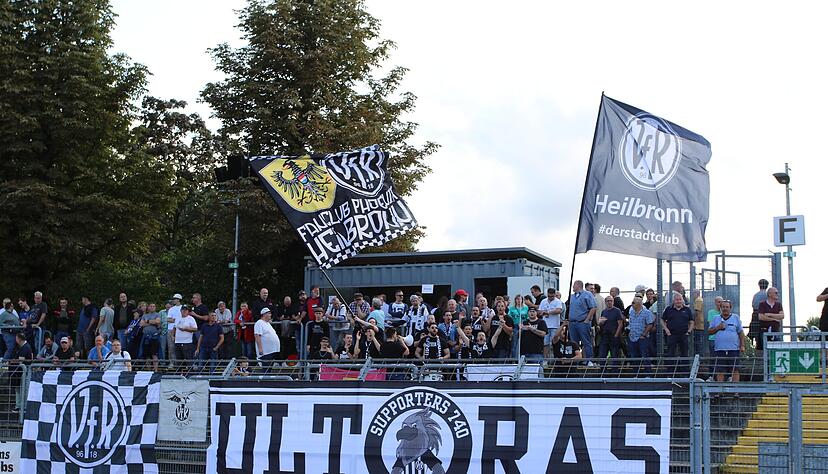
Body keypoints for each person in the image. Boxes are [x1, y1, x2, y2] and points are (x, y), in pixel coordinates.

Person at [709, 300, 745, 382]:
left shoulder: (736, 318)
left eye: (727, 307)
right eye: (723, 307)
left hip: (734, 349)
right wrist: (718, 327)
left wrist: (742, 345)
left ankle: (736, 391)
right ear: (720, 308)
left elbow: (741, 332)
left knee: (735, 370)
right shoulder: (716, 318)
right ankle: (719, 391)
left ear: (730, 308)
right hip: (719, 349)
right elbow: (710, 331)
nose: (725, 309)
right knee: (720, 370)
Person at [568, 280, 596, 365]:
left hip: (582, 322)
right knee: (574, 343)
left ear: (578, 286)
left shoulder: (587, 295)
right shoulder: (572, 296)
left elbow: (593, 307)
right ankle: (575, 361)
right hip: (572, 323)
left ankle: (589, 360)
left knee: (586, 342)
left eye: (574, 285)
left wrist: (587, 320)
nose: (572, 287)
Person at [661, 293, 694, 358]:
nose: (678, 301)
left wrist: (689, 331)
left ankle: (684, 368)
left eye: (680, 299)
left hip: (684, 334)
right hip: (671, 335)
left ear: (682, 300)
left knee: (684, 353)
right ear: (673, 301)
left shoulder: (687, 309)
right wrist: (666, 330)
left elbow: (691, 321)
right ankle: (671, 368)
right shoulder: (668, 309)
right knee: (670, 353)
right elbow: (662, 320)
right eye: (676, 300)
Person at [628, 296, 655, 367]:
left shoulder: (647, 313)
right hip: (632, 338)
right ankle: (635, 375)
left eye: (633, 303)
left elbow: (650, 324)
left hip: (642, 338)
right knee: (634, 357)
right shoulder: (632, 312)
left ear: (639, 304)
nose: (632, 304)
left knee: (645, 355)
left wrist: (644, 334)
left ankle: (647, 375)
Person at [757, 287, 784, 352]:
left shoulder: (778, 305)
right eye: (776, 293)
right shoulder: (762, 304)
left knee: (777, 350)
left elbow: (782, 316)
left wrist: (769, 314)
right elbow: (761, 317)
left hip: (776, 331)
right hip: (764, 331)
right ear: (769, 294)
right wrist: (774, 319)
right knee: (764, 351)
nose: (777, 294)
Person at [538, 288, 562, 358]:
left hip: (554, 325)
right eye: (549, 296)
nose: (551, 298)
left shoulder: (558, 301)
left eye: (552, 296)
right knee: (545, 343)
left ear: (555, 294)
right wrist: (541, 313)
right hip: (545, 325)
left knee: (554, 343)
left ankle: (554, 358)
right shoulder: (543, 301)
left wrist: (548, 312)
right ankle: (545, 359)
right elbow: (539, 311)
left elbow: (559, 310)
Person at [598, 295, 623, 360]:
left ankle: (615, 369)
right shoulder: (604, 311)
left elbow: (620, 324)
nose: (609, 302)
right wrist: (601, 322)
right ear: (605, 302)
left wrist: (616, 335)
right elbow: (600, 323)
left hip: (613, 335)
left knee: (615, 354)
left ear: (613, 302)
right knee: (602, 354)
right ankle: (602, 369)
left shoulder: (617, 311)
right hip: (605, 335)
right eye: (608, 301)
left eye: (611, 301)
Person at [140, 303, 161, 369]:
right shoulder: (145, 315)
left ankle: (155, 370)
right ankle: (148, 370)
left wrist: (147, 321)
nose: (152, 307)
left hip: (154, 337)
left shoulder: (157, 314)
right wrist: (152, 323)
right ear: (148, 307)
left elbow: (158, 322)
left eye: (153, 306)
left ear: (155, 307)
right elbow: (141, 324)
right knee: (147, 355)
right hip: (146, 337)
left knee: (154, 354)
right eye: (150, 306)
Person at [748, 279, 769, 343]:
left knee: (753, 332)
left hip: (755, 314)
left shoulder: (756, 295)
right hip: (764, 315)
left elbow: (753, 305)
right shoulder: (767, 295)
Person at [165, 294, 182, 361]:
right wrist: (177, 320)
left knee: (180, 347)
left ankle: (179, 363)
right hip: (171, 329)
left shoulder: (182, 308)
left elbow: (184, 318)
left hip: (180, 329)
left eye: (174, 299)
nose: (173, 300)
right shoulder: (171, 309)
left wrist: (174, 320)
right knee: (171, 347)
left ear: (178, 300)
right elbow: (168, 319)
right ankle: (172, 362)